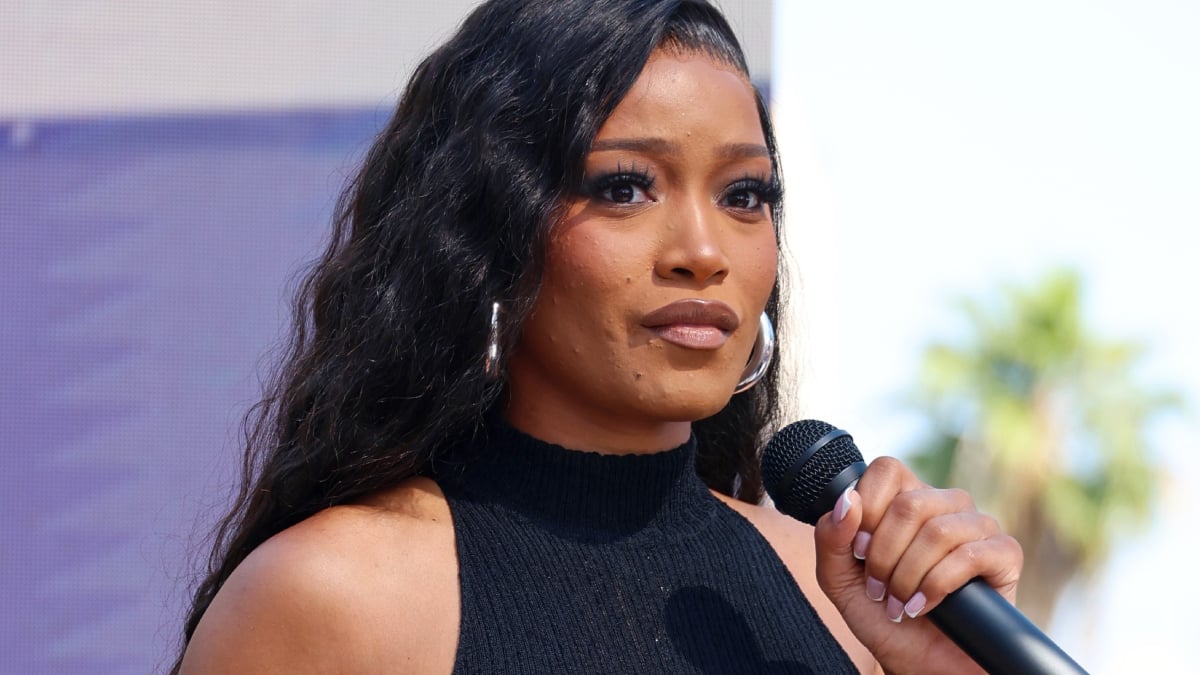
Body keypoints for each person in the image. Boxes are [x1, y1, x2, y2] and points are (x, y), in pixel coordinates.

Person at [174, 1, 1023, 673]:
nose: (702, 251)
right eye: (624, 187)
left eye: (743, 195)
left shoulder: (843, 597)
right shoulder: (340, 598)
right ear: (488, 236)